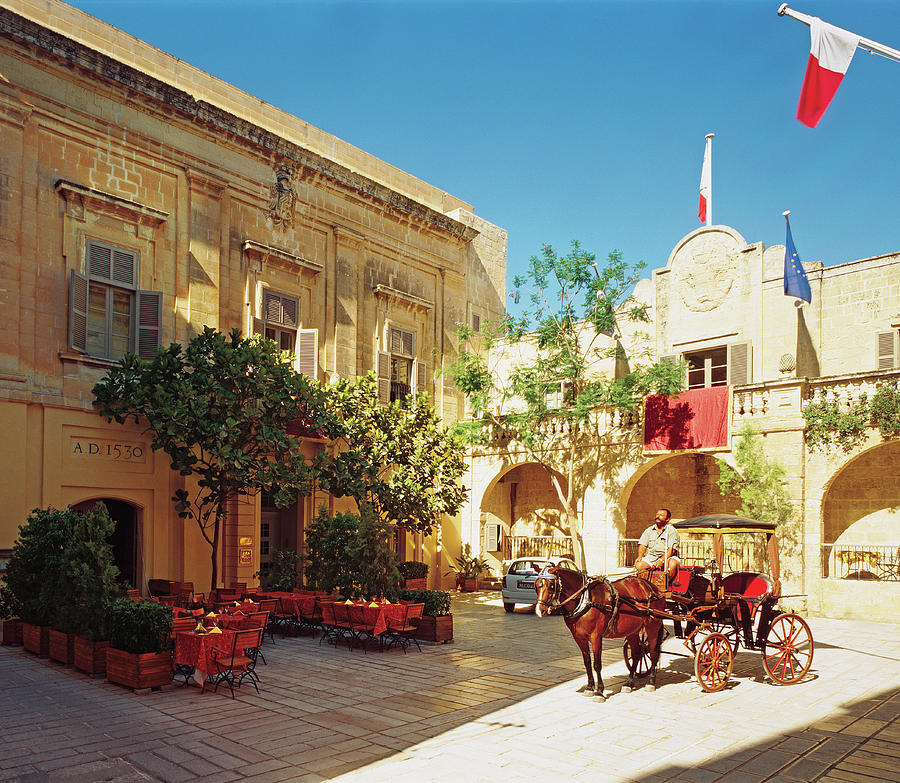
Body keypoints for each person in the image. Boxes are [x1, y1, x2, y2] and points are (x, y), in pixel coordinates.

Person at [635, 508, 681, 582]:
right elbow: (643, 544)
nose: (658, 516)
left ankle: (665, 584)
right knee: (639, 565)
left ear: (667, 519)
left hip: (668, 557)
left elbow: (671, 550)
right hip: (652, 557)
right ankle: (648, 584)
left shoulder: (672, 531)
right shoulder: (649, 530)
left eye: (661, 515)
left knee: (672, 563)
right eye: (657, 514)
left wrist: (661, 560)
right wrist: (640, 556)